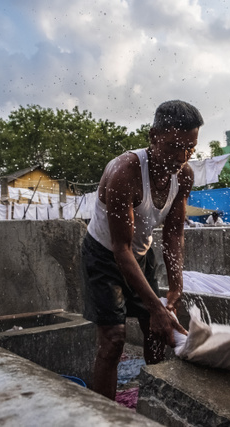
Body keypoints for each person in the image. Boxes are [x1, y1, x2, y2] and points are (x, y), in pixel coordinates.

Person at [81, 100, 203, 400]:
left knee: (156, 332)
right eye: (174, 146)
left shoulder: (183, 175)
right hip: (104, 256)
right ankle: (103, 415)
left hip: (139, 256)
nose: (181, 156)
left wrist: (176, 285)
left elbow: (174, 232)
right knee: (113, 340)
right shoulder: (125, 172)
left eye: (190, 148)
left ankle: (153, 404)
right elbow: (119, 248)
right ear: (153, 136)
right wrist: (156, 306)